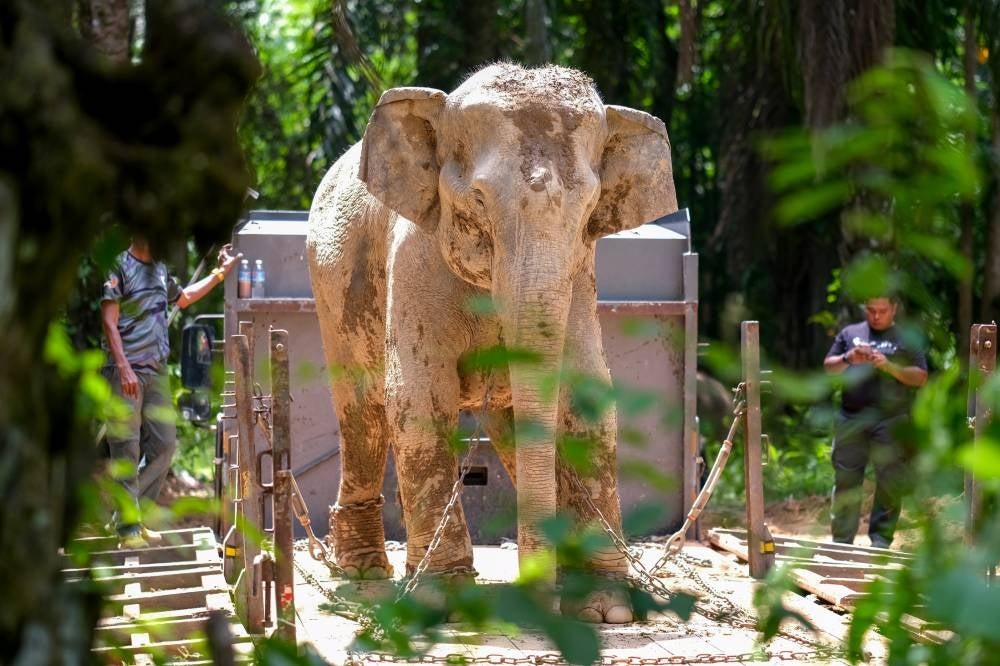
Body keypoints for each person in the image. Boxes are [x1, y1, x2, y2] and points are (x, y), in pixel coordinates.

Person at [101, 236, 241, 548]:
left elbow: (184, 297)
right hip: (125, 371)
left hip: (156, 372)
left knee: (164, 445)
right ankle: (127, 529)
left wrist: (220, 274)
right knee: (126, 447)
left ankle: (130, 515)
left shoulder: (160, 268)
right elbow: (109, 322)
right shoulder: (119, 265)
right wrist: (123, 367)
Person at [823, 295, 928, 549]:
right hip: (851, 416)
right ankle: (841, 543)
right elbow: (828, 367)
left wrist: (889, 366)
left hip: (891, 419)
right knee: (846, 481)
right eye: (871, 310)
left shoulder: (906, 337)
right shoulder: (851, 333)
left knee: (890, 481)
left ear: (894, 308)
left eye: (882, 311)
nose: (876, 316)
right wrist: (849, 358)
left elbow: (921, 376)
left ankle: (881, 541)